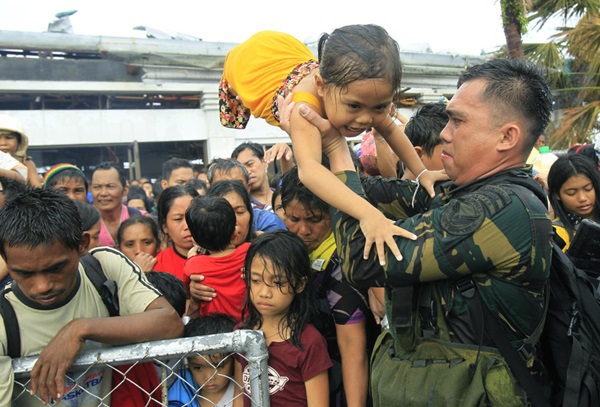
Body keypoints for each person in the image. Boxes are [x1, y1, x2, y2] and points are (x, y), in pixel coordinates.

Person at [295, 58, 554, 405]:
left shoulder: (503, 209)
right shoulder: (457, 191)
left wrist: (335, 149)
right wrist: (317, 119)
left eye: (458, 121)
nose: (445, 132)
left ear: (507, 137)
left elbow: (362, 260)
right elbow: (363, 192)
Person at [220, 25, 443, 264]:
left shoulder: (358, 92)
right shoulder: (304, 109)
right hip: (250, 64)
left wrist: (422, 172)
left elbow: (387, 127)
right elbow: (309, 171)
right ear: (322, 86)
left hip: (289, 58)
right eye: (354, 107)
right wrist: (369, 213)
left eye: (379, 107)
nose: (367, 119)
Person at [0, 187, 184, 405]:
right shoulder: (4, 317)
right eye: (24, 273)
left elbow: (169, 323)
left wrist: (79, 329)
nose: (42, 286)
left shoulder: (103, 268)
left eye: (56, 268)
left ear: (82, 245)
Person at [281, 166, 376, 407]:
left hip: (341, 381)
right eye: (294, 219)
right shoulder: (296, 251)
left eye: (314, 220)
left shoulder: (342, 262)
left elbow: (352, 345)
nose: (303, 230)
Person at [233, 231, 332, 407]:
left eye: (278, 283)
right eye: (256, 281)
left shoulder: (309, 342)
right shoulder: (242, 334)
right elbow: (239, 395)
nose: (264, 292)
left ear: (300, 284)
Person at [188, 180, 256, 306]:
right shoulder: (196, 271)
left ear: (251, 214)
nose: (233, 221)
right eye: (222, 214)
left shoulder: (262, 251)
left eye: (240, 212)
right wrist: (194, 299)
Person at [184, 195, 250, 322]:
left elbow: (187, 289)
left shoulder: (193, 265)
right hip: (248, 325)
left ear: (194, 239)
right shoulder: (250, 252)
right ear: (235, 232)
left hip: (213, 330)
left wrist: (192, 258)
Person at [168, 314, 238, 407]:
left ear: (233, 360)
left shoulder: (241, 393)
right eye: (198, 367)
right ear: (188, 363)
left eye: (218, 366)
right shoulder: (181, 390)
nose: (209, 377)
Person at [208, 159, 286, 233]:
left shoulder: (267, 221)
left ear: (248, 187)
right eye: (222, 185)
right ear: (210, 190)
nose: (230, 190)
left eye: (237, 184)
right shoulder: (201, 223)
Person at [547, 154, 600, 251]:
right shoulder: (556, 235)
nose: (582, 198)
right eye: (571, 193)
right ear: (557, 194)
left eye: (588, 189)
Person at [91, 162, 142, 247]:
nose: (103, 193)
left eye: (110, 186)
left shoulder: (141, 217)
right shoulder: (83, 222)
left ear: (125, 190)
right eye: (97, 187)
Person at [154, 185, 199, 281]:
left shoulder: (221, 255)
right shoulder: (158, 268)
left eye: (192, 216)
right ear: (164, 226)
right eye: (178, 219)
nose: (187, 226)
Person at [0, 114, 41, 187]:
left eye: (9, 138)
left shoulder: (27, 163)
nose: (3, 143)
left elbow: (37, 189)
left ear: (19, 141)